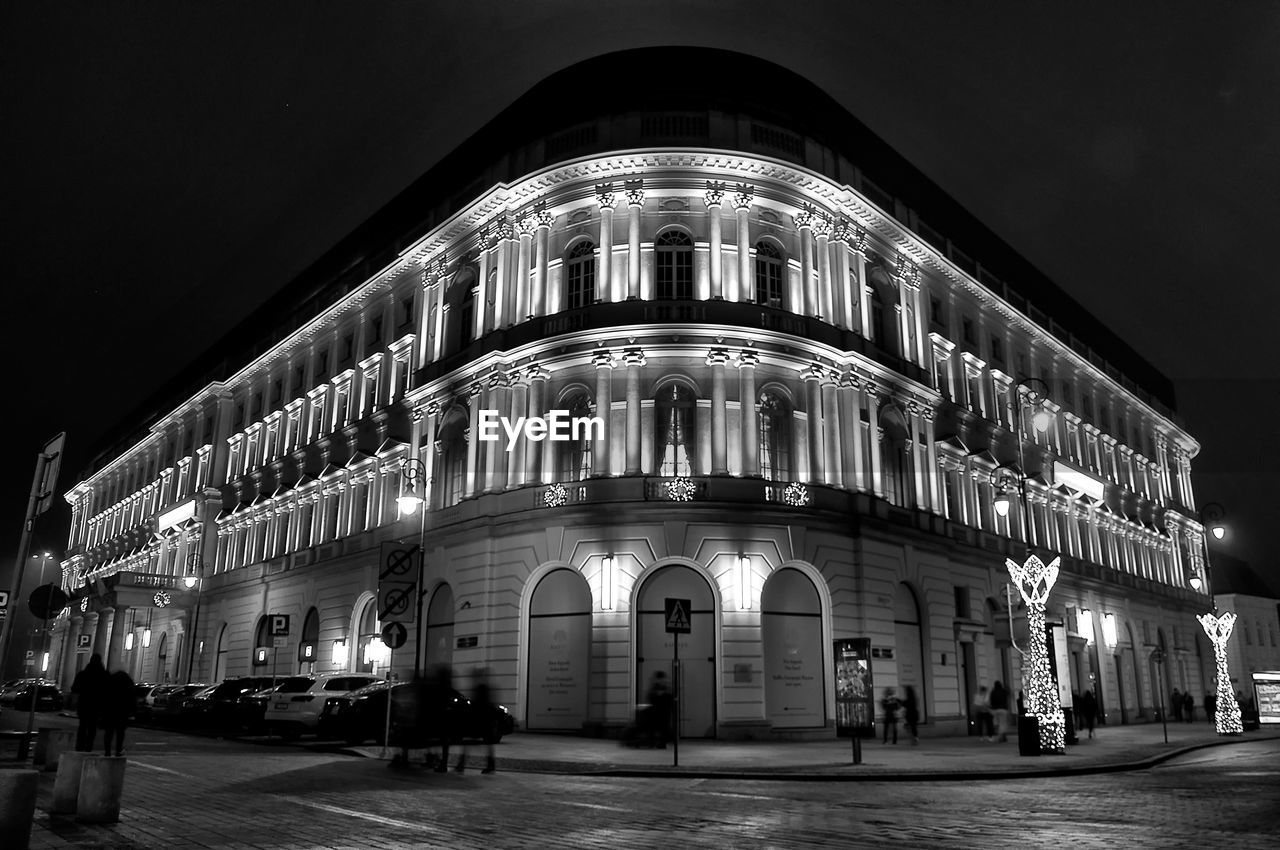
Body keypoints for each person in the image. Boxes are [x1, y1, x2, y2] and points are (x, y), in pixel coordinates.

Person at [454, 668, 496, 774]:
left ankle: (461, 765)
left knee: (468, 743)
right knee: (486, 744)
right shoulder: (483, 687)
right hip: (484, 721)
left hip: (479, 721)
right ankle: (490, 765)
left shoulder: (480, 688)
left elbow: (477, 705)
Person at [71, 653, 108, 752]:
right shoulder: (104, 675)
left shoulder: (83, 674)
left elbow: (74, 688)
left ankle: (79, 748)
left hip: (84, 704)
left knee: (82, 727)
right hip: (97, 706)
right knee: (92, 728)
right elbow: (108, 692)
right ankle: (88, 748)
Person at [101, 668, 136, 757]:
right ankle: (118, 750)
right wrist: (131, 712)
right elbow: (132, 699)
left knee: (109, 732)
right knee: (120, 733)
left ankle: (107, 751)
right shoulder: (128, 684)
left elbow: (104, 697)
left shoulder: (110, 682)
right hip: (122, 712)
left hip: (111, 711)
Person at [645, 670, 673, 748]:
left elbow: (670, 699)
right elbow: (650, 697)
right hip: (657, 711)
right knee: (655, 728)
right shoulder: (656, 687)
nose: (661, 681)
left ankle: (661, 743)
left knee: (663, 728)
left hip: (664, 712)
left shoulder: (665, 687)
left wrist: (661, 694)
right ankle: (653, 742)